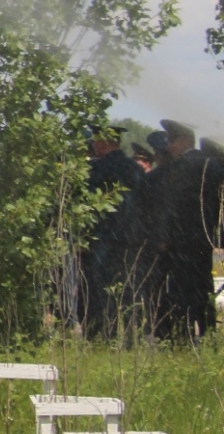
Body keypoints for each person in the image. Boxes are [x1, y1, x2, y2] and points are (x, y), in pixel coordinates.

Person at [147, 119, 219, 341]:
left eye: (172, 140)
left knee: (182, 292)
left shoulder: (182, 167)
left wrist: (164, 236)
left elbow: (170, 207)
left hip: (181, 241)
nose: (169, 146)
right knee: (201, 289)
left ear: (185, 139)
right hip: (201, 239)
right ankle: (207, 335)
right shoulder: (209, 163)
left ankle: (182, 338)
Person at [81, 124, 143, 337]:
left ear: (104, 142)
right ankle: (125, 332)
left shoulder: (96, 170)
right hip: (129, 237)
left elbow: (85, 205)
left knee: (99, 288)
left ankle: (101, 333)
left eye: (97, 140)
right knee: (125, 287)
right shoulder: (135, 168)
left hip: (102, 237)